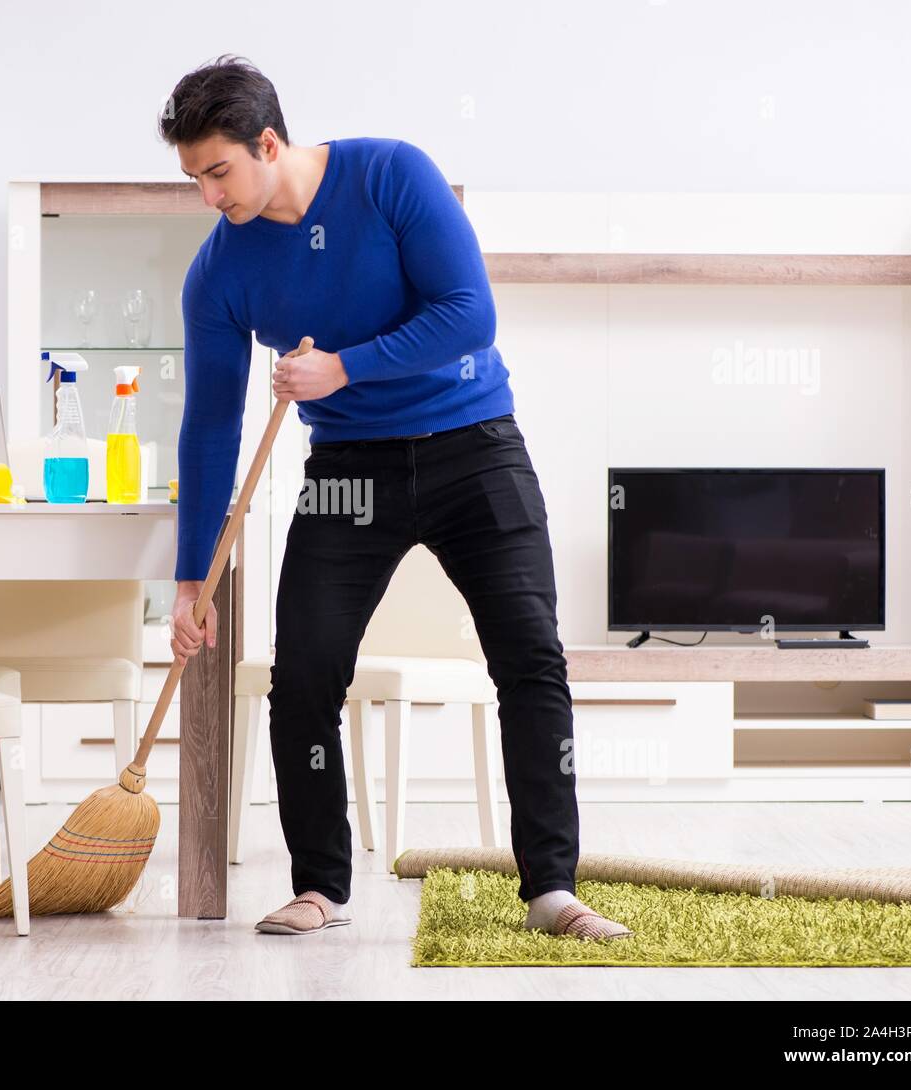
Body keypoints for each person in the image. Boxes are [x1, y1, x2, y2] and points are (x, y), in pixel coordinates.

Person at [158, 54, 631, 941]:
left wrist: (342, 367)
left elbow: (469, 312)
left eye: (219, 172)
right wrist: (190, 578)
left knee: (531, 657)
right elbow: (211, 427)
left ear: (269, 143)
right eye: (194, 179)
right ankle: (320, 886)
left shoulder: (390, 175)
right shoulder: (218, 274)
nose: (209, 197)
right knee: (302, 674)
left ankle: (552, 889)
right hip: (348, 474)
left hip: (475, 446)